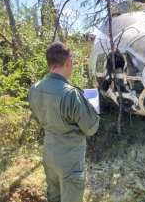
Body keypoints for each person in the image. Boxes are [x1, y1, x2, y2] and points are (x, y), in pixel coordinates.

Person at [28, 42, 99, 202]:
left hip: (49, 154)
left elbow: (39, 119)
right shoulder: (72, 94)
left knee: (54, 196)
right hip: (70, 161)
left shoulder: (34, 89)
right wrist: (92, 108)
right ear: (68, 62)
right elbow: (91, 128)